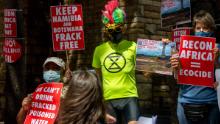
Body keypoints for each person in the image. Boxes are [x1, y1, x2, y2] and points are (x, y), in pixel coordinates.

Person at [92, 0, 139, 124]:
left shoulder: (133, 47)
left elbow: (147, 71)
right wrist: (99, 101)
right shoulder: (99, 50)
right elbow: (98, 78)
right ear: (106, 29)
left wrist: (163, 48)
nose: (114, 31)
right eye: (110, 29)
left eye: (117, 28)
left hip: (129, 96)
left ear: (124, 27)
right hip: (108, 99)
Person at [170, 10, 220, 124]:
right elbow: (177, 77)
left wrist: (216, 60)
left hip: (211, 102)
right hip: (185, 100)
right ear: (194, 29)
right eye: (198, 28)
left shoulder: (217, 49)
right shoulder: (184, 47)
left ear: (212, 30)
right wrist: (175, 67)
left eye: (206, 28)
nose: (201, 31)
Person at [16, 57, 66, 124]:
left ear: (63, 72)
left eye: (55, 68)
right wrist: (23, 109)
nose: (50, 72)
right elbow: (20, 121)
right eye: (47, 68)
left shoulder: (68, 93)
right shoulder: (37, 94)